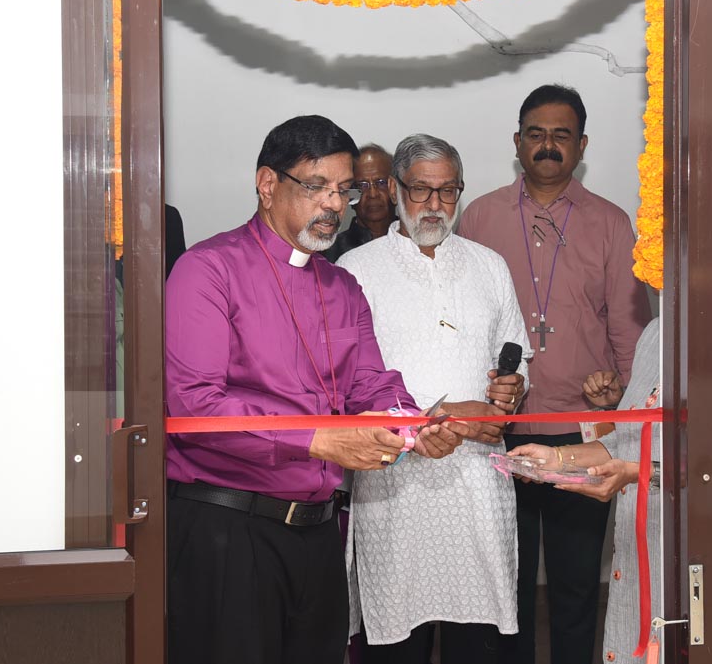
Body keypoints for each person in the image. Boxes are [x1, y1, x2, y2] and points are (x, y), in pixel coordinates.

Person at [164, 115, 468, 664]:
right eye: (316, 186)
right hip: (229, 530)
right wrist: (318, 440)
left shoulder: (341, 284)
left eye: (343, 190)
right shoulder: (207, 270)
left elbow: (371, 384)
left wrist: (411, 428)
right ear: (267, 184)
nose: (334, 205)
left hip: (319, 533)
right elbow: (195, 406)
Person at [457, 83, 652, 664]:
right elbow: (463, 320)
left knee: (575, 582)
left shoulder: (611, 223)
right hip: (500, 430)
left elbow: (628, 327)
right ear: (517, 141)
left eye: (561, 135)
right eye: (536, 134)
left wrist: (624, 399)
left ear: (581, 145)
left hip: (582, 433)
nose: (548, 145)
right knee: (505, 584)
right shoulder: (480, 216)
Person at [338, 134, 529, 664]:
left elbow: (517, 358)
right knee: (398, 642)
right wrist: (439, 416)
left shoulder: (489, 266)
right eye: (421, 190)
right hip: (395, 490)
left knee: (479, 640)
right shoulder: (356, 270)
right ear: (395, 190)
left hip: (478, 486)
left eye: (448, 191)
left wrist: (512, 389)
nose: (435, 205)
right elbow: (347, 385)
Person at [507, 317, 662, 664]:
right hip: (638, 542)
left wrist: (640, 473)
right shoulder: (654, 333)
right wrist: (558, 458)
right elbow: (624, 441)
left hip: (677, 548)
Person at [325, 144, 396, 263]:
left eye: (381, 183)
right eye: (362, 185)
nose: (373, 194)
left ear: (395, 188)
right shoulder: (329, 253)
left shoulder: (417, 243)